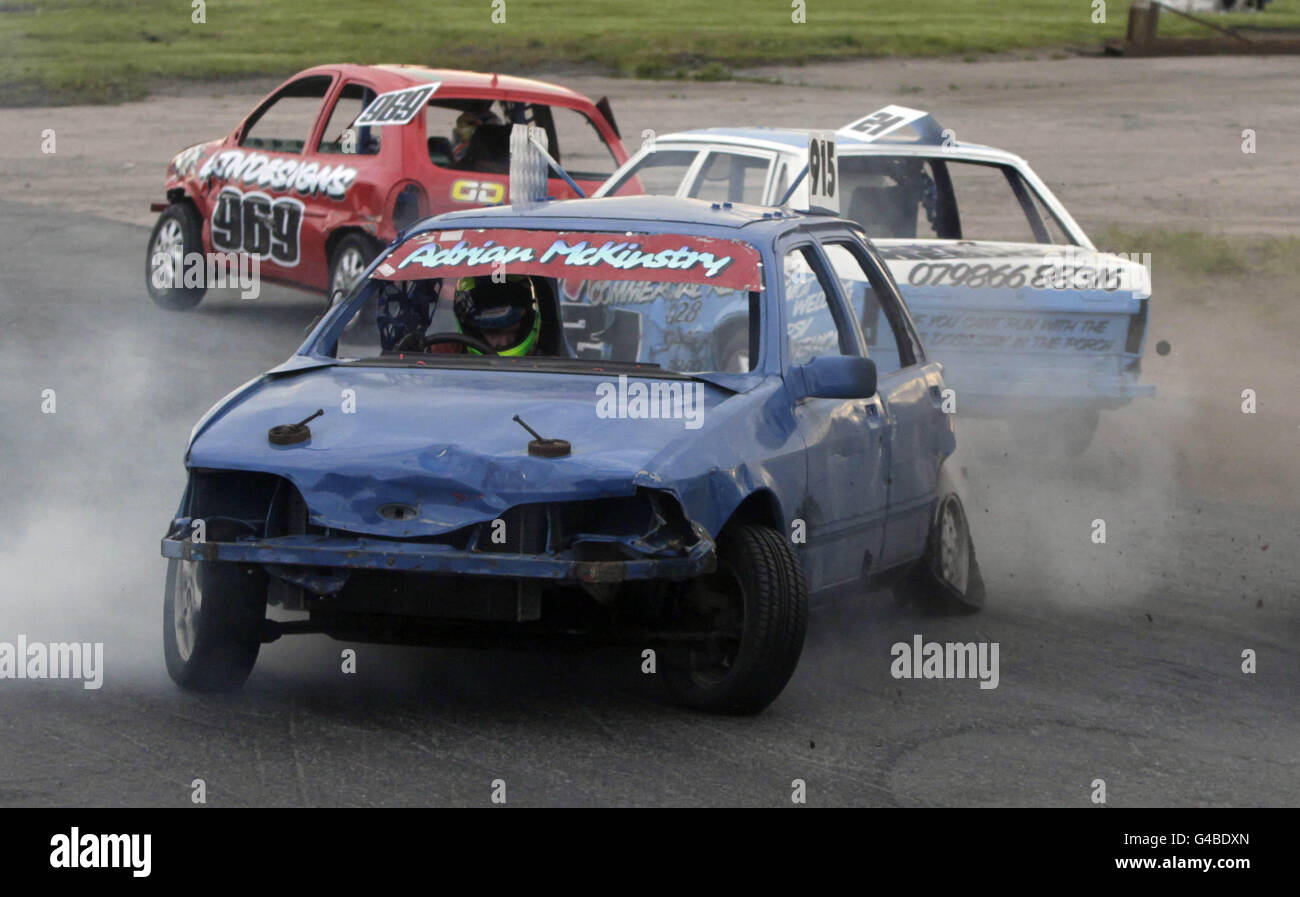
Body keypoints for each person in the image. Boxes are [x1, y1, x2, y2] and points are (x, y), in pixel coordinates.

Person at [440, 275, 542, 356]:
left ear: (527, 322)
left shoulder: (553, 365)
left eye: (510, 331)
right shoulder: (443, 354)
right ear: (473, 331)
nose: (502, 342)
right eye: (493, 333)